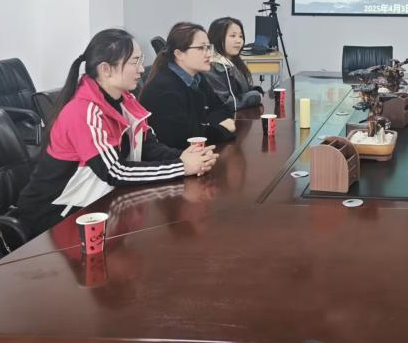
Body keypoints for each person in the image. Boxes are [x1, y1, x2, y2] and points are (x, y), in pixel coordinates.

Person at [15, 29, 218, 238]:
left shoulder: (126, 100)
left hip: (99, 203)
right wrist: (182, 166)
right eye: (135, 62)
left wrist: (190, 158)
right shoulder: (84, 111)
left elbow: (149, 147)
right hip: (57, 216)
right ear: (106, 69)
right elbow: (114, 171)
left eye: (141, 61)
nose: (141, 69)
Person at [140, 22, 236, 149]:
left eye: (208, 47)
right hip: (174, 157)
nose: (208, 54)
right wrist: (221, 129)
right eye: (201, 48)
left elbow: (220, 108)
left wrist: (209, 126)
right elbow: (183, 138)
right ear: (179, 54)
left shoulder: (197, 77)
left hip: (196, 153)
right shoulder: (164, 88)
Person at [206, 17, 262, 112]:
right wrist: (255, 96)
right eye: (233, 36)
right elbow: (227, 103)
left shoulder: (232, 60)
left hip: (240, 116)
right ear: (217, 38)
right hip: (227, 119)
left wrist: (256, 90)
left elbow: (240, 90)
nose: (238, 40)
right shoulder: (213, 66)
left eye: (240, 36)